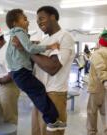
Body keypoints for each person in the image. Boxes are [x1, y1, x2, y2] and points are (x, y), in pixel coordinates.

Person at [13, 6, 75, 135]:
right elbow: (36, 63)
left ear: (53, 17)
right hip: (40, 94)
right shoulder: (45, 40)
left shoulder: (65, 37)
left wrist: (27, 49)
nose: (39, 22)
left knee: (52, 132)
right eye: (37, 21)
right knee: (37, 131)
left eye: (42, 18)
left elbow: (53, 68)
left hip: (55, 94)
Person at [87, 29, 107, 135]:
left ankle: (92, 132)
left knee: (92, 112)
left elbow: (100, 68)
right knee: (105, 112)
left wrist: (105, 80)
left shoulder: (97, 53)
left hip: (96, 87)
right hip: (105, 88)